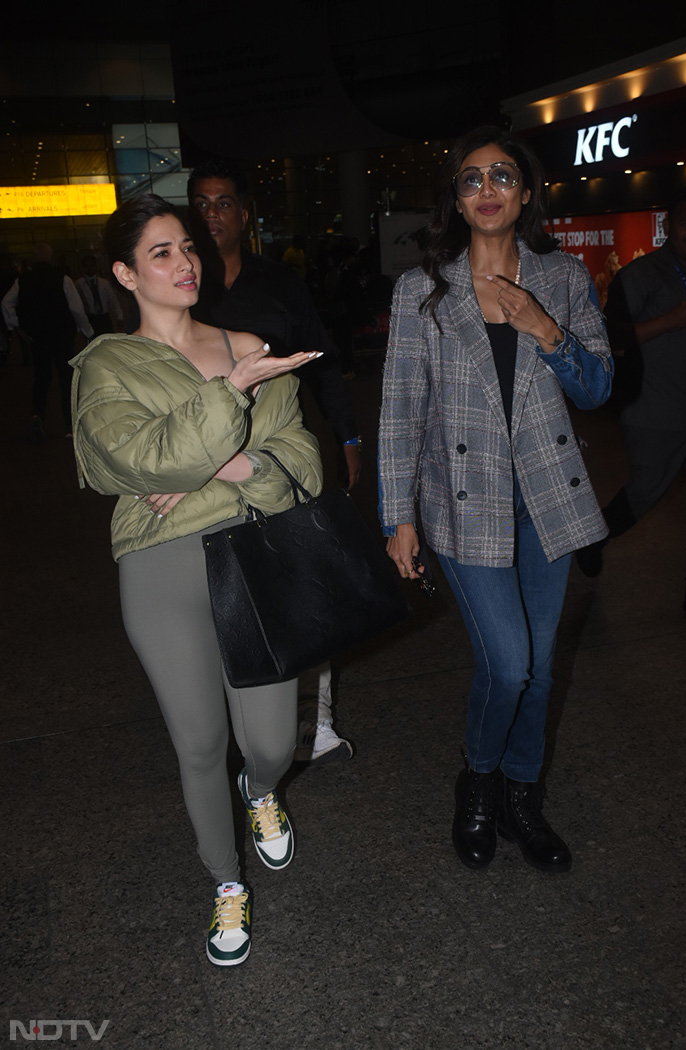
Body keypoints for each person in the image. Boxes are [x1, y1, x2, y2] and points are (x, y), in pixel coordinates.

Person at [70, 194, 324, 966]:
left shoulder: (251, 344)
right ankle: (224, 883)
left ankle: (262, 793)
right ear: (124, 273)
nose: (185, 263)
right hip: (158, 564)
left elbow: (302, 466)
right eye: (161, 253)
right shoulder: (105, 364)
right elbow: (125, 463)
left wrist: (226, 462)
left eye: (187, 247)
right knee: (200, 741)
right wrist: (232, 404)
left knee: (272, 740)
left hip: (254, 553)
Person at [378, 126, 613, 874]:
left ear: (526, 193)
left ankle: (521, 795)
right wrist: (398, 516)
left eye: (502, 176)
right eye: (471, 178)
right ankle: (477, 782)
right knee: (508, 664)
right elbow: (400, 412)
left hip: (549, 500)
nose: (486, 189)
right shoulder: (423, 289)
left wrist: (545, 329)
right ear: (456, 197)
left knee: (542, 670)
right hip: (462, 504)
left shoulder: (565, 278)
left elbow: (599, 387)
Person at [187, 159, 358, 762]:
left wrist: (348, 436)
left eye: (224, 203)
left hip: (277, 454)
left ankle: (319, 722)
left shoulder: (278, 284)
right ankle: (241, 725)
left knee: (301, 579)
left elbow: (322, 359)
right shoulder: (182, 286)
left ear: (245, 213)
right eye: (202, 205)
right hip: (206, 465)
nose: (213, 216)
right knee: (220, 592)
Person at [576, 188, 686, 612]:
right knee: (645, 492)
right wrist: (670, 320)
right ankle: (595, 538)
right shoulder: (641, 274)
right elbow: (609, 337)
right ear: (669, 226)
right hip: (654, 409)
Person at [2, 243, 93, 436]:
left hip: (37, 336)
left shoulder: (23, 280)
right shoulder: (63, 279)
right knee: (66, 378)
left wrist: (16, 325)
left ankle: (38, 414)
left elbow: (6, 303)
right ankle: (69, 425)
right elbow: (76, 308)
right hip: (61, 334)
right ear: (51, 257)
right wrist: (87, 330)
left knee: (41, 377)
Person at [74, 253, 124, 335]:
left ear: (96, 266)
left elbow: (113, 301)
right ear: (83, 268)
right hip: (90, 318)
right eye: (87, 266)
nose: (90, 268)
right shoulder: (79, 284)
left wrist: (119, 316)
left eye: (92, 265)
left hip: (104, 317)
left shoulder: (104, 283)